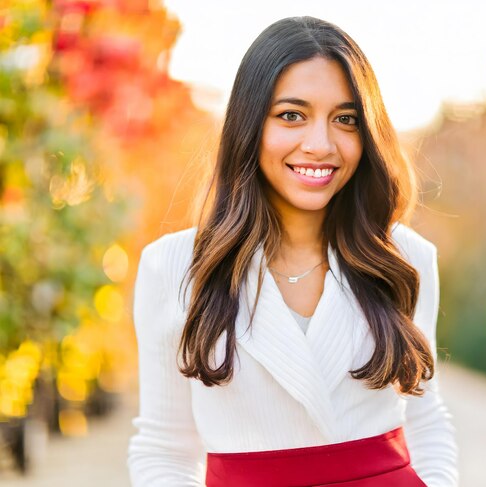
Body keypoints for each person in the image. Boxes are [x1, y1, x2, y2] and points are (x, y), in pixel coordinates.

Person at [128, 15, 458, 487]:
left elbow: (426, 418)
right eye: (291, 115)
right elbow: (163, 449)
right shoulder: (174, 267)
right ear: (249, 125)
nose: (320, 145)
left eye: (345, 119)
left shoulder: (404, 258)